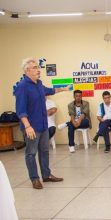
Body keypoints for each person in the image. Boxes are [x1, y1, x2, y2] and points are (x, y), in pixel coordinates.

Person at [15, 58, 67, 189]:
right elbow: (20, 110)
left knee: (44, 151)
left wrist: (64, 88)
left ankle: (46, 175)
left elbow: (49, 90)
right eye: (35, 67)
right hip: (31, 127)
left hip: (44, 125)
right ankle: (35, 179)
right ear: (27, 70)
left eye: (38, 67)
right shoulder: (22, 87)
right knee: (31, 153)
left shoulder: (38, 84)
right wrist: (27, 126)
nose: (38, 70)